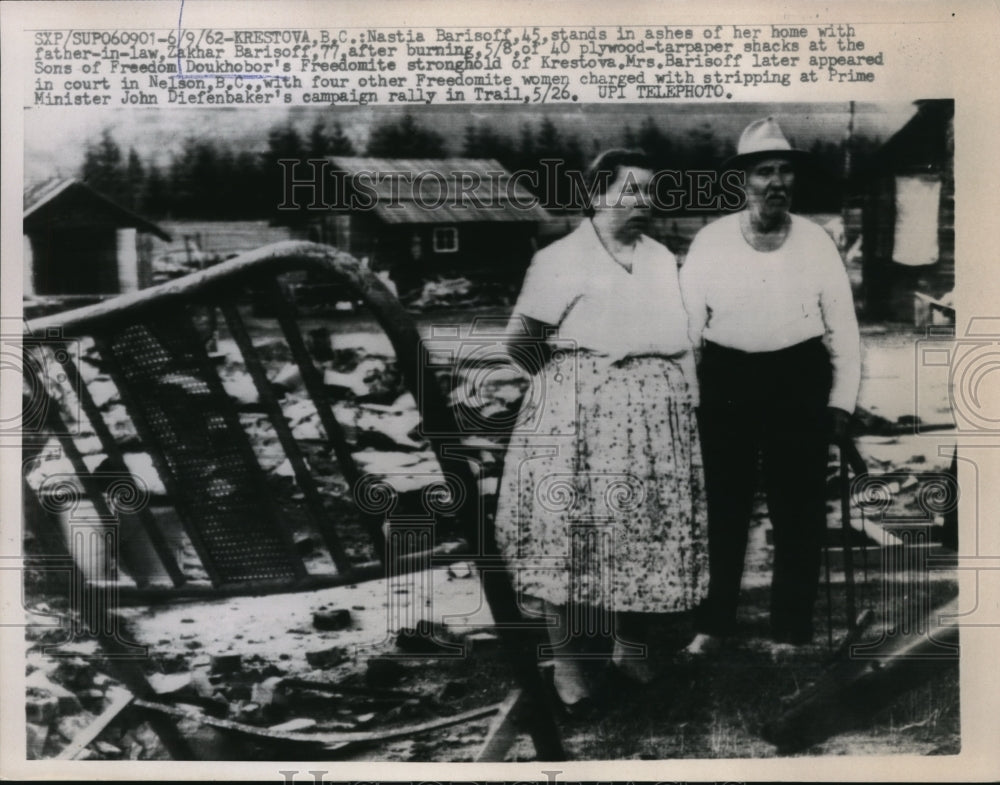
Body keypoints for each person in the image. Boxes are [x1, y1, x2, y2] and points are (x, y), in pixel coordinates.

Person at [493, 149, 708, 710]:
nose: (645, 203)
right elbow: (521, 342)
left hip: (654, 419)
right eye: (630, 190)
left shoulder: (661, 258)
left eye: (651, 192)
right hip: (579, 419)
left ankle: (630, 650)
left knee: (638, 531)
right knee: (568, 539)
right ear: (595, 195)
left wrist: (679, 396)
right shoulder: (560, 259)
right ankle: (567, 666)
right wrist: (572, 391)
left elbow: (683, 336)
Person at [680, 117, 861, 655]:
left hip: (797, 379)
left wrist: (840, 403)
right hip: (727, 381)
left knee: (799, 507)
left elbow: (844, 331)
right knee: (724, 505)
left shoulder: (817, 242)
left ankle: (792, 628)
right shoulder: (710, 242)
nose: (776, 182)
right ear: (743, 181)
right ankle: (714, 624)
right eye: (764, 172)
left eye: (785, 171)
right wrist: (692, 400)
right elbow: (688, 331)